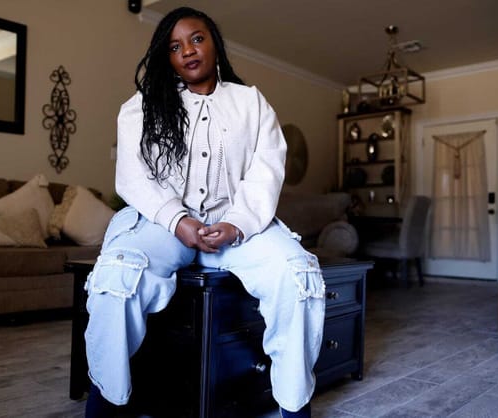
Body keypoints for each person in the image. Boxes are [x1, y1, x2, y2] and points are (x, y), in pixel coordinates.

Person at [84, 7, 325, 418]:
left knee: (297, 274)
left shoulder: (251, 102)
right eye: (175, 46)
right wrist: (178, 221)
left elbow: (266, 170)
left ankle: (293, 408)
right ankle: (105, 404)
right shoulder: (143, 106)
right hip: (162, 226)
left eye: (197, 39)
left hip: (237, 224)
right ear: (167, 56)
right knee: (116, 274)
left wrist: (236, 224)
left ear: (214, 41)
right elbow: (133, 176)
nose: (188, 52)